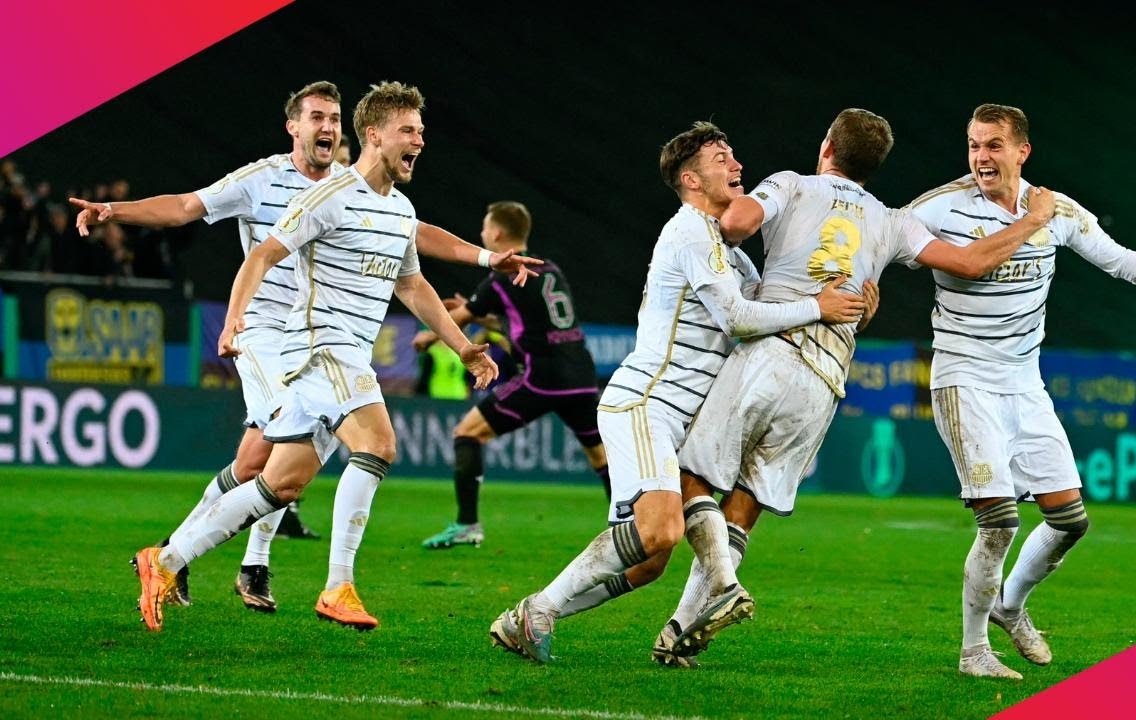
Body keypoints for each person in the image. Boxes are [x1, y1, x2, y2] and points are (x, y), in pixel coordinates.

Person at [613, 108, 1057, 667]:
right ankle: (680, 628)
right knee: (747, 503)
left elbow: (735, 223)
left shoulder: (791, 184)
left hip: (771, 352)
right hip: (826, 379)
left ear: (827, 145)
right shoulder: (893, 221)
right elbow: (969, 263)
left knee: (691, 476)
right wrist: (1032, 220)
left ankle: (723, 586)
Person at [72, 81, 537, 614]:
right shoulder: (299, 189)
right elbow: (217, 228)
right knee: (377, 443)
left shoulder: (391, 204)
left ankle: (168, 558)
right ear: (366, 134)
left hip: (335, 347)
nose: (420, 141)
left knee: (276, 476)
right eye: (409, 131)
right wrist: (232, 316)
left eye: (333, 118)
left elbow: (411, 276)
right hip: (304, 339)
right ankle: (321, 581)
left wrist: (465, 337)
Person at [489, 122, 866, 664]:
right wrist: (816, 307)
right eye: (721, 158)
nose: (737, 165)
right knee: (660, 530)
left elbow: (768, 314)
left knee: (649, 561)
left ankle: (528, 616)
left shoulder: (731, 254)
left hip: (682, 417)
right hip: (646, 403)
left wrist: (846, 309)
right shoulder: (689, 231)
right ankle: (539, 611)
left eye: (733, 155)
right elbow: (739, 318)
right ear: (691, 179)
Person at [907, 103, 1136, 679]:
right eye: (974, 145)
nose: (981, 157)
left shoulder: (1056, 209)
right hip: (964, 379)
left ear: (1022, 151)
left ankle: (1010, 607)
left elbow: (1115, 258)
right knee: (998, 522)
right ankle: (974, 653)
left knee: (1070, 521)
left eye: (993, 145)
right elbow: (884, 238)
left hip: (1025, 383)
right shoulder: (940, 207)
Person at [415, 201, 611, 550]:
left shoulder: (502, 276)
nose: (481, 232)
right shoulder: (549, 269)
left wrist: (429, 337)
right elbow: (524, 322)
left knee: (467, 433)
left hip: (541, 377)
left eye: (485, 227)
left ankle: (467, 525)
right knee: (601, 457)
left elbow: (463, 315)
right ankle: (630, 526)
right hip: (581, 374)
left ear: (497, 234)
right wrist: (481, 315)